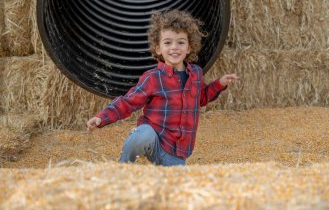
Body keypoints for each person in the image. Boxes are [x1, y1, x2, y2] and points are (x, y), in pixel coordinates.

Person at [87, 9, 238, 166]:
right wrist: (102, 117)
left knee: (180, 185)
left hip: (176, 152)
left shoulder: (196, 74)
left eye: (180, 42)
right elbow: (129, 102)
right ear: (158, 48)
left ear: (189, 47)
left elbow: (201, 98)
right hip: (154, 140)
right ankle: (125, 167)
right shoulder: (153, 77)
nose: (174, 47)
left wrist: (220, 83)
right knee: (143, 134)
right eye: (167, 42)